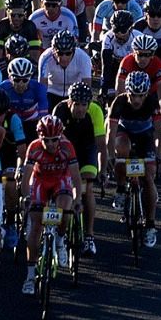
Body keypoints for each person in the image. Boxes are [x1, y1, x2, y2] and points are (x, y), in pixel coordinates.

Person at [20, 115, 80, 294]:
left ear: (60, 137)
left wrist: (77, 200)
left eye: (54, 140)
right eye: (46, 140)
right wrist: (26, 197)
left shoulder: (67, 147)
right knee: (36, 227)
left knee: (64, 209)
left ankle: (60, 240)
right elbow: (26, 178)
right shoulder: (34, 147)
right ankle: (30, 276)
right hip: (40, 181)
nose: (51, 144)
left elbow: (76, 177)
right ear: (40, 138)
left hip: (61, 179)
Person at [106, 71, 161, 248]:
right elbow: (110, 133)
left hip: (145, 136)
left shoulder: (152, 102)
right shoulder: (119, 102)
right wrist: (110, 156)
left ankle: (151, 224)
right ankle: (121, 188)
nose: (136, 100)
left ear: (146, 94)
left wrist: (159, 155)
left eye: (140, 95)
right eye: (132, 95)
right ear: (127, 92)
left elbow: (159, 132)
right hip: (125, 133)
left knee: (149, 177)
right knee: (121, 149)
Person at [52, 81, 105, 256]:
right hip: (65, 151)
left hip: (86, 150)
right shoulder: (60, 110)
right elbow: (53, 143)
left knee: (87, 187)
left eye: (84, 105)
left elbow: (101, 145)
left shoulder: (95, 111)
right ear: (69, 102)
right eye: (77, 104)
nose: (81, 109)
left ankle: (89, 236)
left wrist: (103, 170)